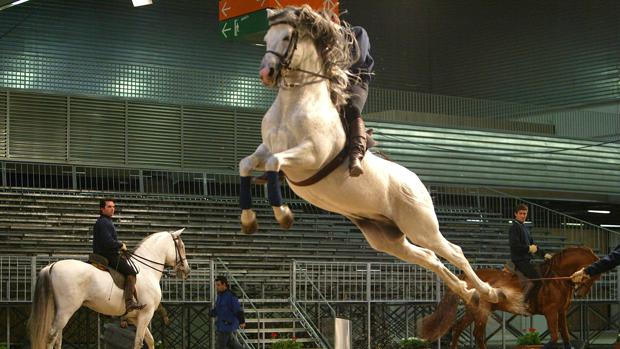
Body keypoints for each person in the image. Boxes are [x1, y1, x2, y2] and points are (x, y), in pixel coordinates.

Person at [331, 13, 375, 177]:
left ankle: (356, 155)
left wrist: (334, 65)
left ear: (335, 23)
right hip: (334, 83)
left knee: (352, 109)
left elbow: (359, 58)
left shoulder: (358, 32)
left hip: (356, 81)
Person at [93, 198, 145, 312]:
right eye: (109, 207)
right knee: (131, 272)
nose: (112, 209)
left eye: (113, 207)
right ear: (102, 209)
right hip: (107, 255)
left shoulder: (105, 221)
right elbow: (107, 242)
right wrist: (120, 245)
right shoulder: (104, 222)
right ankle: (129, 303)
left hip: (106, 253)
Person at [508, 204, 552, 304]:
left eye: (525, 213)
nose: (523, 216)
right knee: (538, 279)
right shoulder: (514, 227)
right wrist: (528, 248)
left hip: (526, 259)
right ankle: (522, 302)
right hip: (519, 260)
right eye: (521, 213)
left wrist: (544, 255)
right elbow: (515, 246)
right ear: (515, 214)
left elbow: (534, 247)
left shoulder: (525, 228)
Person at [211, 276, 246, 349]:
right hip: (222, 324)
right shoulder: (220, 295)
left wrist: (241, 321)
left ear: (224, 285)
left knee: (221, 345)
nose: (216, 287)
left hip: (227, 325)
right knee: (231, 344)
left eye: (218, 285)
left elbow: (237, 309)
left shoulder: (231, 296)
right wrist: (213, 313)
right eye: (216, 285)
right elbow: (219, 308)